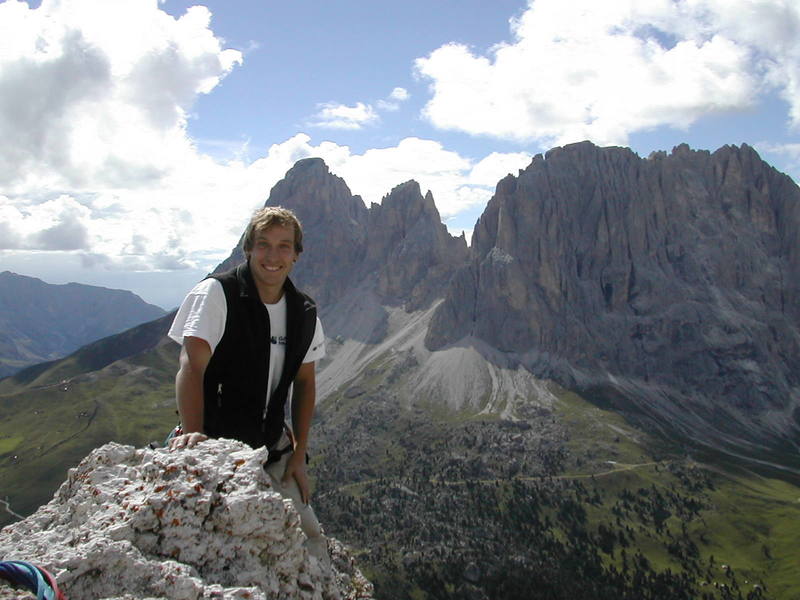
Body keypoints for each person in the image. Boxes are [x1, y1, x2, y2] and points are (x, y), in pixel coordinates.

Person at [166, 206, 329, 565]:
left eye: (284, 246)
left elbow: (305, 383)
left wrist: (299, 453)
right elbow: (190, 366)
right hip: (214, 445)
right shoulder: (216, 293)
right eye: (263, 244)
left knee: (310, 538)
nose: (273, 256)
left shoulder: (303, 311)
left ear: (297, 254)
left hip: (272, 447)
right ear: (249, 249)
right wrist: (194, 434)